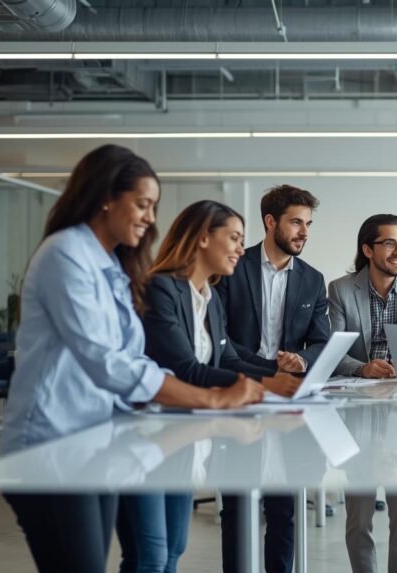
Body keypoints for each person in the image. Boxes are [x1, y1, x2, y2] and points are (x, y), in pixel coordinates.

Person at [0, 144, 262, 573]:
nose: (150, 218)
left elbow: (133, 360)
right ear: (106, 197)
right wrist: (212, 398)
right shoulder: (65, 255)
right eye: (142, 204)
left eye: (154, 207)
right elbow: (107, 362)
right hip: (50, 448)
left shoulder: (112, 266)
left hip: (97, 444)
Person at [116, 200, 303, 573]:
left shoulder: (210, 297)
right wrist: (267, 385)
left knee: (173, 550)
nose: (240, 249)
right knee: (149, 557)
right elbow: (186, 369)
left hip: (184, 437)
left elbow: (228, 360)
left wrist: (281, 381)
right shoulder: (160, 290)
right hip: (146, 438)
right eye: (233, 238)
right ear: (203, 237)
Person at [215, 184, 331, 573]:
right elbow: (220, 337)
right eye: (296, 222)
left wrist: (300, 359)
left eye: (308, 224)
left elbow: (320, 341)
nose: (304, 232)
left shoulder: (313, 279)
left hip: (289, 403)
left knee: (285, 508)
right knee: (238, 508)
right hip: (241, 394)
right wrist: (269, 371)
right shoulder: (233, 266)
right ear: (270, 221)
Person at [328, 214, 397, 573]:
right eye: (389, 243)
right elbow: (334, 349)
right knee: (359, 517)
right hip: (358, 403)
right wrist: (363, 367)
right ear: (367, 249)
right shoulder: (341, 289)